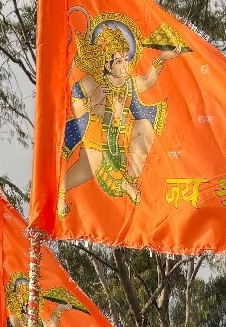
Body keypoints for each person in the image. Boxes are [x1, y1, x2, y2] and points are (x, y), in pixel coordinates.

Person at [58, 22, 182, 215]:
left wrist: (162, 57)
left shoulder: (129, 83)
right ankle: (61, 193)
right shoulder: (94, 82)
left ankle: (129, 179)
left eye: (125, 59)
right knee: (90, 164)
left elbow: (148, 81)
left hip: (121, 136)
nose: (125, 65)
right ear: (107, 64)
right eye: (118, 61)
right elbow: (74, 95)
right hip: (96, 135)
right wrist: (90, 104)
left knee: (145, 127)